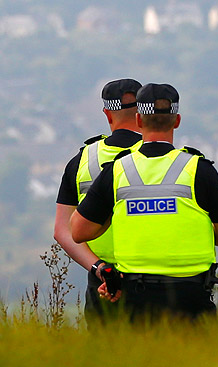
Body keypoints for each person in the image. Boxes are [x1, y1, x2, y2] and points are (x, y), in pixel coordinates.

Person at [71, 83, 218, 322]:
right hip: (192, 299)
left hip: (135, 301)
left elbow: (78, 231)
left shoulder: (117, 171)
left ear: (138, 120)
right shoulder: (198, 170)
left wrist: (118, 215)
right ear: (177, 120)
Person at [54, 78, 143, 325]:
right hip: (156, 279)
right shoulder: (170, 160)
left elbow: (62, 231)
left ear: (107, 114)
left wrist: (99, 268)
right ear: (143, 112)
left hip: (102, 282)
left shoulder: (82, 160)